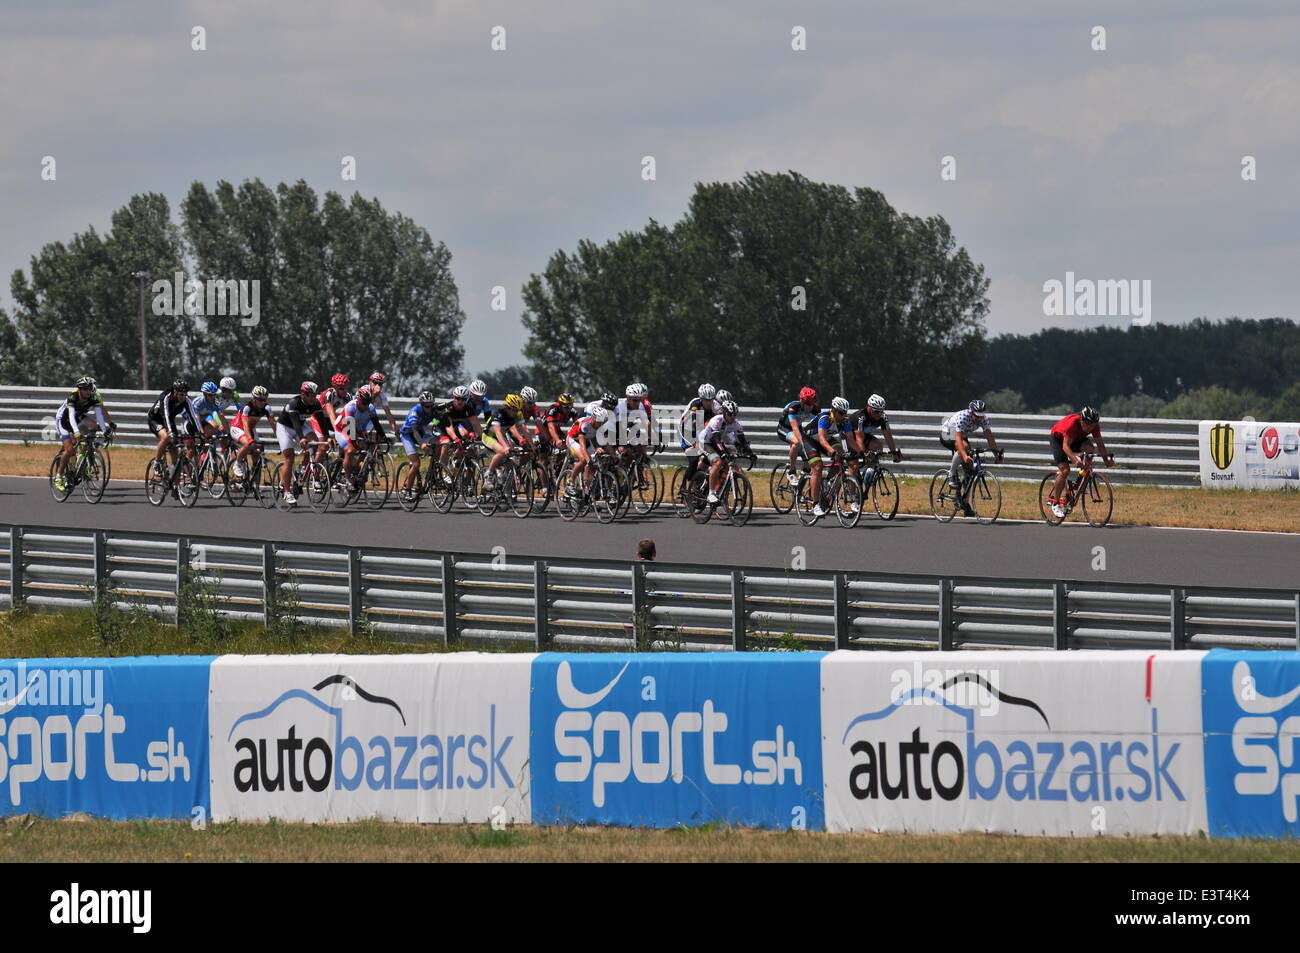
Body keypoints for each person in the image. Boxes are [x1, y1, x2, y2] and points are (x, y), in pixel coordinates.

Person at [940, 399, 1004, 517]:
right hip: (948, 433)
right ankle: (951, 474)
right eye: (976, 416)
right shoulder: (962, 417)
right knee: (964, 447)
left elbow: (990, 437)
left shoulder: (984, 419)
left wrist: (996, 454)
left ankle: (964, 503)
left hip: (962, 435)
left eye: (981, 416)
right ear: (970, 412)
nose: (979, 419)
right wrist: (964, 455)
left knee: (969, 470)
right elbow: (958, 440)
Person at [1048, 406, 1114, 517]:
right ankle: (1056, 503)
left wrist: (1106, 460)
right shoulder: (1072, 423)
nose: (1090, 429)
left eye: (1092, 426)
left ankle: (1081, 480)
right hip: (1059, 440)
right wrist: (1075, 460)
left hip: (1076, 439)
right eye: (1088, 425)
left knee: (1090, 448)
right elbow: (1065, 446)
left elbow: (1100, 445)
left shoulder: (1094, 426)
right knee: (1065, 471)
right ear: (1081, 420)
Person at [52, 376, 116, 491]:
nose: (88, 391)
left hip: (78, 418)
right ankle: (59, 477)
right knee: (69, 449)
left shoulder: (94, 397)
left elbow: (99, 416)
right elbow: (71, 416)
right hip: (63, 420)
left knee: (88, 437)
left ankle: (83, 463)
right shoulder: (73, 397)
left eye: (90, 389)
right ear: (80, 389)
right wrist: (76, 432)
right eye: (85, 389)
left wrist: (105, 430)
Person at [699, 399, 756, 504]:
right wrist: (722, 453)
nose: (733, 417)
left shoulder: (736, 424)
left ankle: (718, 488)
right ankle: (711, 493)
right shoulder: (717, 420)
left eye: (735, 414)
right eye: (730, 414)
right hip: (706, 442)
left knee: (729, 462)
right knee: (717, 461)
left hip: (717, 442)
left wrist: (750, 453)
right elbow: (715, 439)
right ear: (724, 413)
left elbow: (742, 441)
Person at [275, 381, 322, 506]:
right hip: (285, 427)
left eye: (315, 395)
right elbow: (295, 422)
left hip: (300, 426)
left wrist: (328, 438)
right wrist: (301, 438)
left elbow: (322, 421)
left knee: (315, 442)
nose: (314, 398)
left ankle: (302, 470)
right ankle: (286, 491)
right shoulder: (294, 403)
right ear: (303, 394)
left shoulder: (316, 404)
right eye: (311, 395)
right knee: (289, 458)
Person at [805, 397, 851, 518]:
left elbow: (849, 440)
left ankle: (827, 482)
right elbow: (821, 439)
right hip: (810, 440)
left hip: (827, 439)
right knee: (818, 467)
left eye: (845, 413)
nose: (843, 415)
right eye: (841, 413)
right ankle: (815, 505)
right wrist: (831, 451)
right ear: (833, 410)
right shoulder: (825, 418)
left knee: (841, 456)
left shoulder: (844, 422)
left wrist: (858, 453)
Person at [147, 379, 198, 468]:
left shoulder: (186, 399)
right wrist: (170, 431)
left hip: (169, 420)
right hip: (156, 419)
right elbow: (165, 415)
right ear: (175, 392)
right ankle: (157, 462)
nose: (184, 397)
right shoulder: (166, 397)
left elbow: (193, 416)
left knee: (175, 452)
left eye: (185, 394)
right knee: (166, 437)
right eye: (181, 395)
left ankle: (174, 477)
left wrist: (200, 432)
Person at [777, 386, 820, 483]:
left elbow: (822, 420)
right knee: (796, 442)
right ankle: (791, 472)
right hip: (784, 428)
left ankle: (804, 473)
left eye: (812, 404)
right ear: (802, 402)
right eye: (808, 404)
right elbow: (794, 427)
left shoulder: (814, 409)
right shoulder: (794, 407)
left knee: (811, 449)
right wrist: (803, 443)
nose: (810, 407)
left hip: (798, 428)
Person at [229, 386, 273, 478]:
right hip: (237, 427)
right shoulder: (247, 408)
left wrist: (281, 438)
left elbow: (274, 425)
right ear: (254, 398)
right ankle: (237, 464)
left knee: (257, 450)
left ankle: (254, 479)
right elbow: (245, 426)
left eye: (264, 400)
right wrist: (250, 440)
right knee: (248, 444)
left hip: (251, 428)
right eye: (259, 399)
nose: (262, 402)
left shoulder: (267, 408)